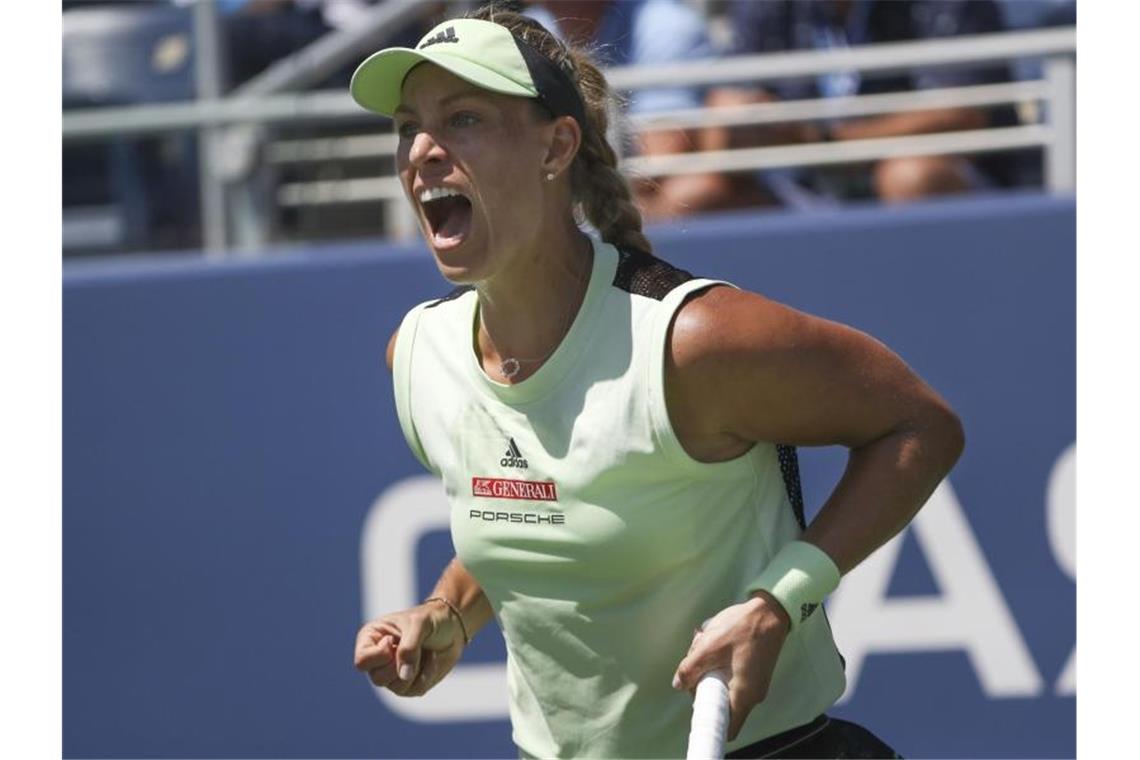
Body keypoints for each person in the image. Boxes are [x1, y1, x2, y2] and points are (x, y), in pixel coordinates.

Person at [349, 5, 964, 758]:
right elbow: (541, 512)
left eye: (464, 119)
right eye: (407, 126)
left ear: (557, 146)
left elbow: (920, 426)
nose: (422, 150)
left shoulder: (692, 341)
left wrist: (778, 601)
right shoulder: (419, 356)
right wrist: (446, 612)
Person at [702, 0, 1021, 207]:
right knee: (698, 192)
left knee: (911, 176)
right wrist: (743, 115)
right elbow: (724, 108)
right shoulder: (764, 6)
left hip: (944, 180)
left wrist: (828, 144)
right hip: (801, 182)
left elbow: (961, 113)